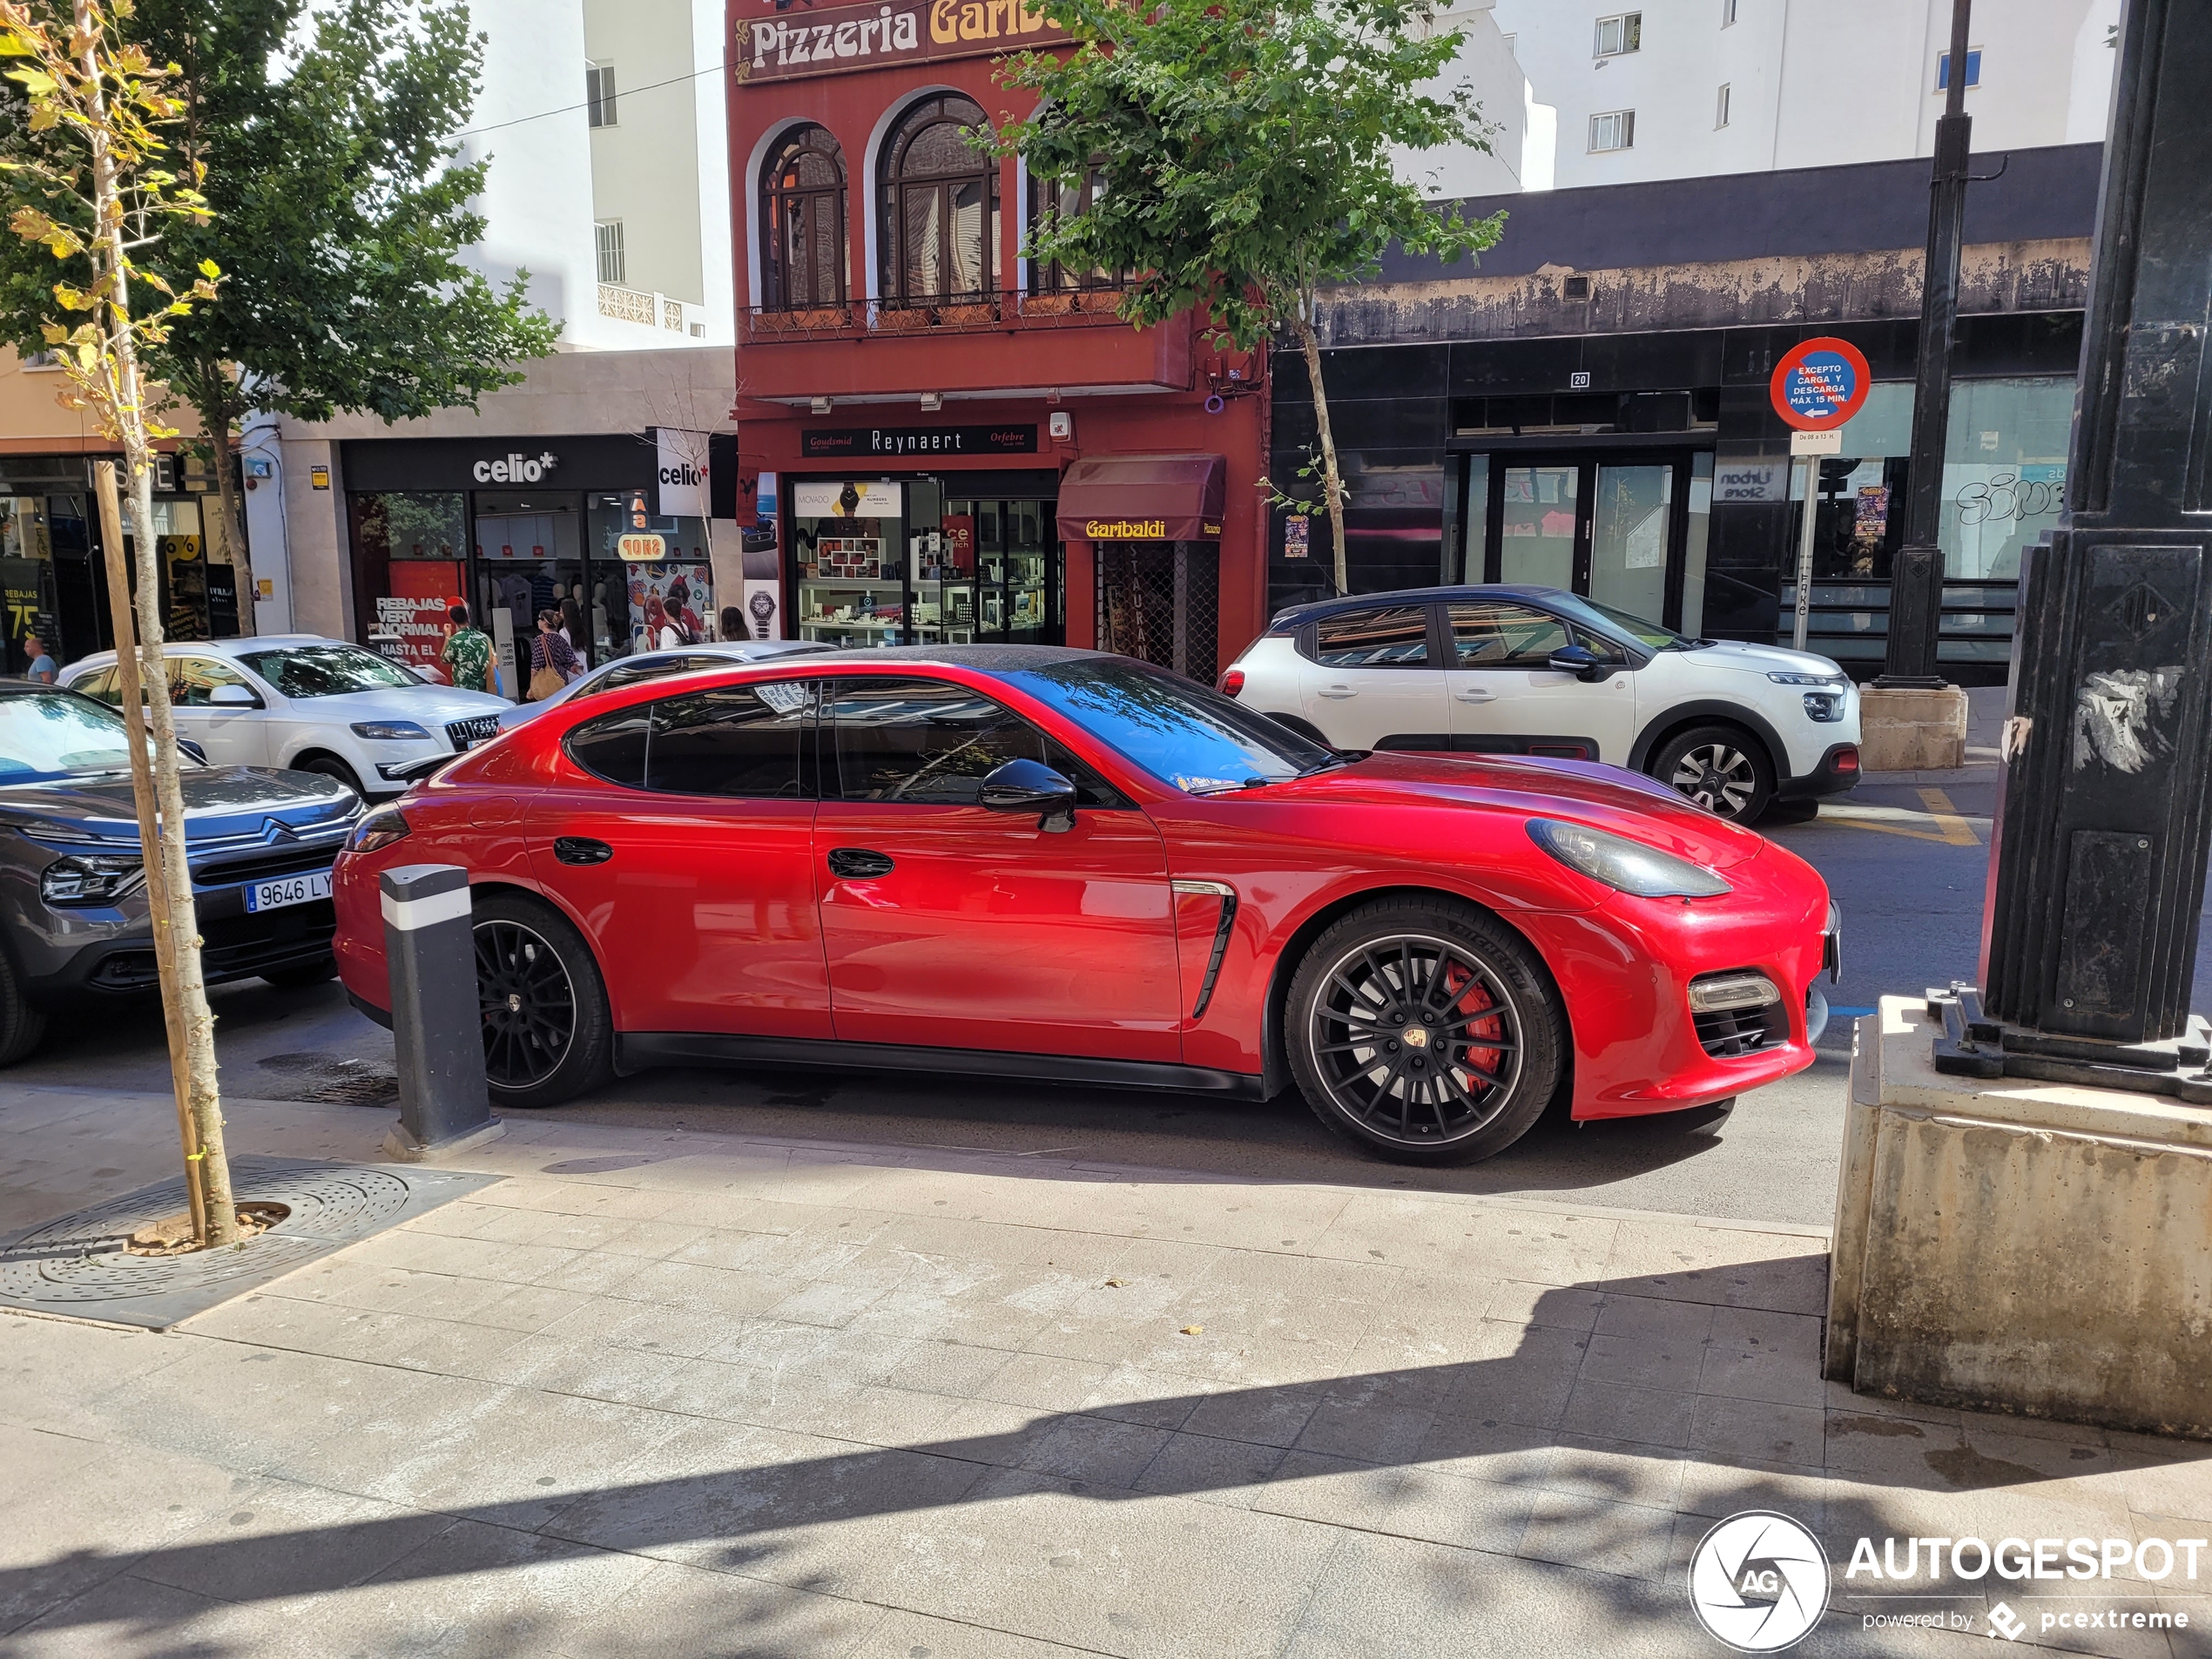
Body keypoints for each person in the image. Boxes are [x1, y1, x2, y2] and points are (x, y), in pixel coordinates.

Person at [528, 609, 581, 699]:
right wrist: (585, 677)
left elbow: (535, 667)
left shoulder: (539, 640)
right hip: (561, 680)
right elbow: (572, 662)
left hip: (547, 683)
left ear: (545, 622)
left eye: (540, 619)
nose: (538, 621)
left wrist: (530, 688)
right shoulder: (560, 638)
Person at [440, 604, 493, 694]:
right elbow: (494, 662)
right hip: (483, 691)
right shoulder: (484, 638)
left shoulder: (455, 640)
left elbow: (444, 659)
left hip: (463, 691)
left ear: (453, 620)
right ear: (467, 616)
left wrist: (447, 637)